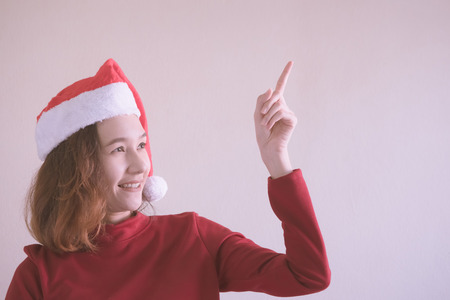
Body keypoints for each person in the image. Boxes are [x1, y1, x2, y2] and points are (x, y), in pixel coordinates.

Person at [6, 59, 330, 299]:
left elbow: (307, 276)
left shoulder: (193, 237)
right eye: (118, 148)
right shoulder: (38, 275)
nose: (140, 164)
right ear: (77, 167)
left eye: (142, 145)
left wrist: (277, 160)